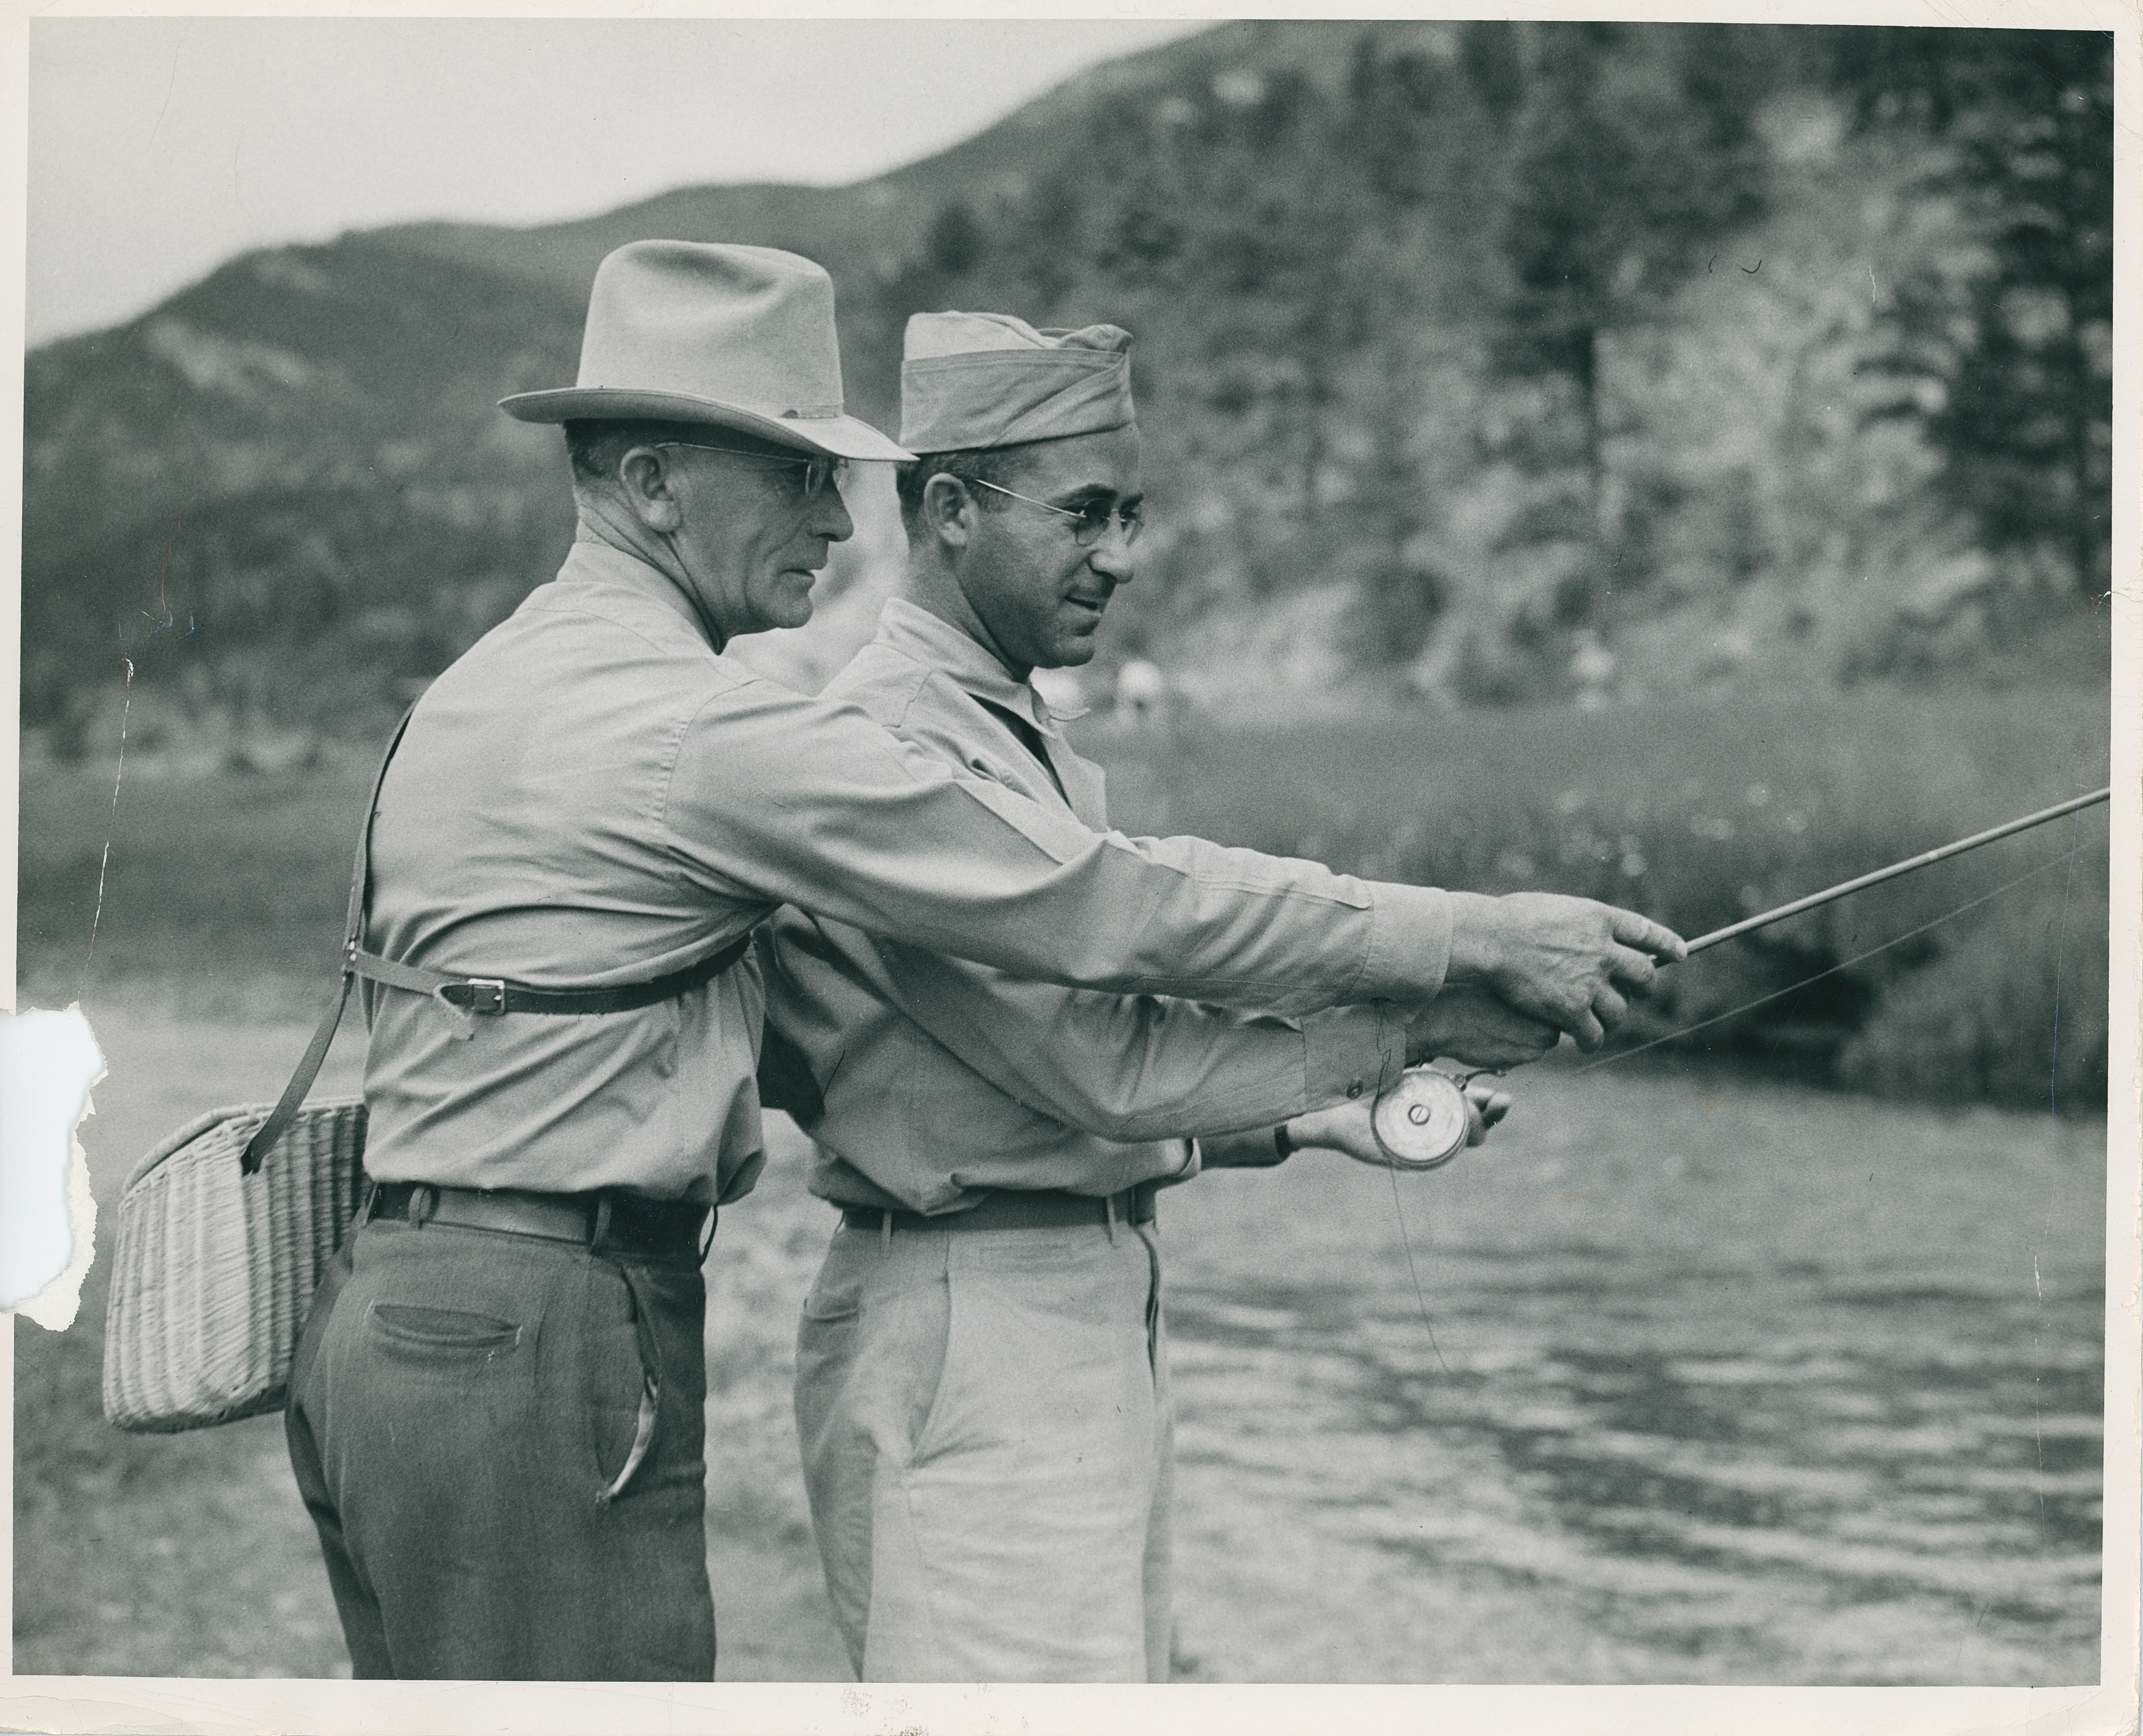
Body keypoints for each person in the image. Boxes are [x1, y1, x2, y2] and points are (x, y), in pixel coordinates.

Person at [282, 241, 1682, 1683]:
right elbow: (1091, 920)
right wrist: (1459, 949)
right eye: (797, 471)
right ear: (649, 483)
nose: (838, 516)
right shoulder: (710, 735)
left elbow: (969, 1057)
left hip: (406, 1317)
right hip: (545, 1327)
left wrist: (1316, 1094)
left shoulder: (492, 682)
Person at [756, 312, 1640, 1682]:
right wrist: (1442, 979)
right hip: (974, 1325)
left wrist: (1309, 1110)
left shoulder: (990, 723)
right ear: (945, 510)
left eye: (1136, 513)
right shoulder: (889, 745)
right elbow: (1097, 1051)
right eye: (1087, 513)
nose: (1122, 556)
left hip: (1056, 1308)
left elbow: (1037, 1083)